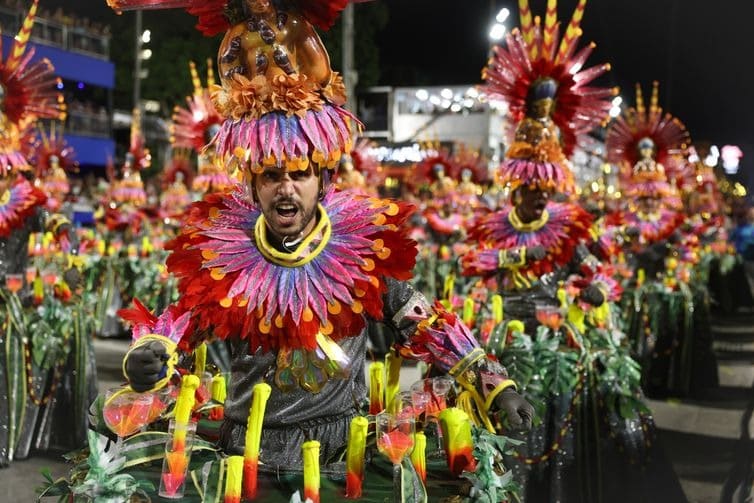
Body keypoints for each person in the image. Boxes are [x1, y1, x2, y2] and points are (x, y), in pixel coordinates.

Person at [109, 0, 534, 473]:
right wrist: (148, 355)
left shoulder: (361, 252)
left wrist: (497, 385)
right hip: (247, 458)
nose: (285, 188)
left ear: (323, 179)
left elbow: (426, 321)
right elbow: (178, 326)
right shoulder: (223, 257)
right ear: (252, 184)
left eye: (298, 175)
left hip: (338, 456)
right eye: (270, 176)